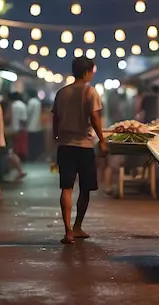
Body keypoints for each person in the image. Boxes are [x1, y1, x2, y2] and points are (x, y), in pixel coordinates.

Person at [52, 56, 107, 244]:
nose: (92, 74)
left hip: (65, 146)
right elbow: (94, 118)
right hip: (84, 146)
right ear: (85, 72)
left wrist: (56, 137)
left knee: (66, 187)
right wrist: (103, 140)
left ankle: (67, 230)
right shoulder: (91, 92)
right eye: (91, 71)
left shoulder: (61, 93)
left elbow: (55, 119)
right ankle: (77, 226)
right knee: (85, 188)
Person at [9, 92, 28, 161]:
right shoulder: (22, 105)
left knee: (14, 147)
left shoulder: (12, 105)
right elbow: (23, 120)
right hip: (21, 129)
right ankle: (20, 161)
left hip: (11, 129)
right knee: (21, 147)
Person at [26, 89, 43, 161]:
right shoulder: (38, 102)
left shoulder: (31, 102)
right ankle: (35, 156)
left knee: (31, 143)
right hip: (37, 126)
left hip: (31, 126)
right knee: (35, 143)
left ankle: (31, 157)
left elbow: (28, 113)